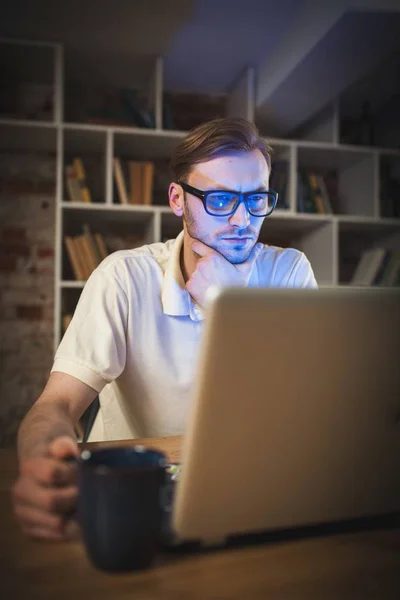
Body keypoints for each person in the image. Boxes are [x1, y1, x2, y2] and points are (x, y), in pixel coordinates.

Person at [12, 117, 317, 540]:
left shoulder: (289, 272)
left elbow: (306, 414)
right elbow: (56, 406)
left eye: (256, 199)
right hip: (134, 495)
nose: (242, 220)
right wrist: (42, 463)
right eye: (221, 200)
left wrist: (227, 307)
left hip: (249, 489)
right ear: (178, 198)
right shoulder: (124, 277)